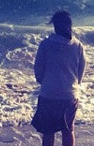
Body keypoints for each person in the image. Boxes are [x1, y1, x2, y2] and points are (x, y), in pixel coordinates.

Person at [32, 10, 86, 146]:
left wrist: (45, 83)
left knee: (48, 132)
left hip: (49, 94)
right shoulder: (77, 46)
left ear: (55, 26)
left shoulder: (45, 44)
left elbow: (38, 70)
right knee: (68, 131)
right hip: (69, 95)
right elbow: (80, 72)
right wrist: (73, 84)